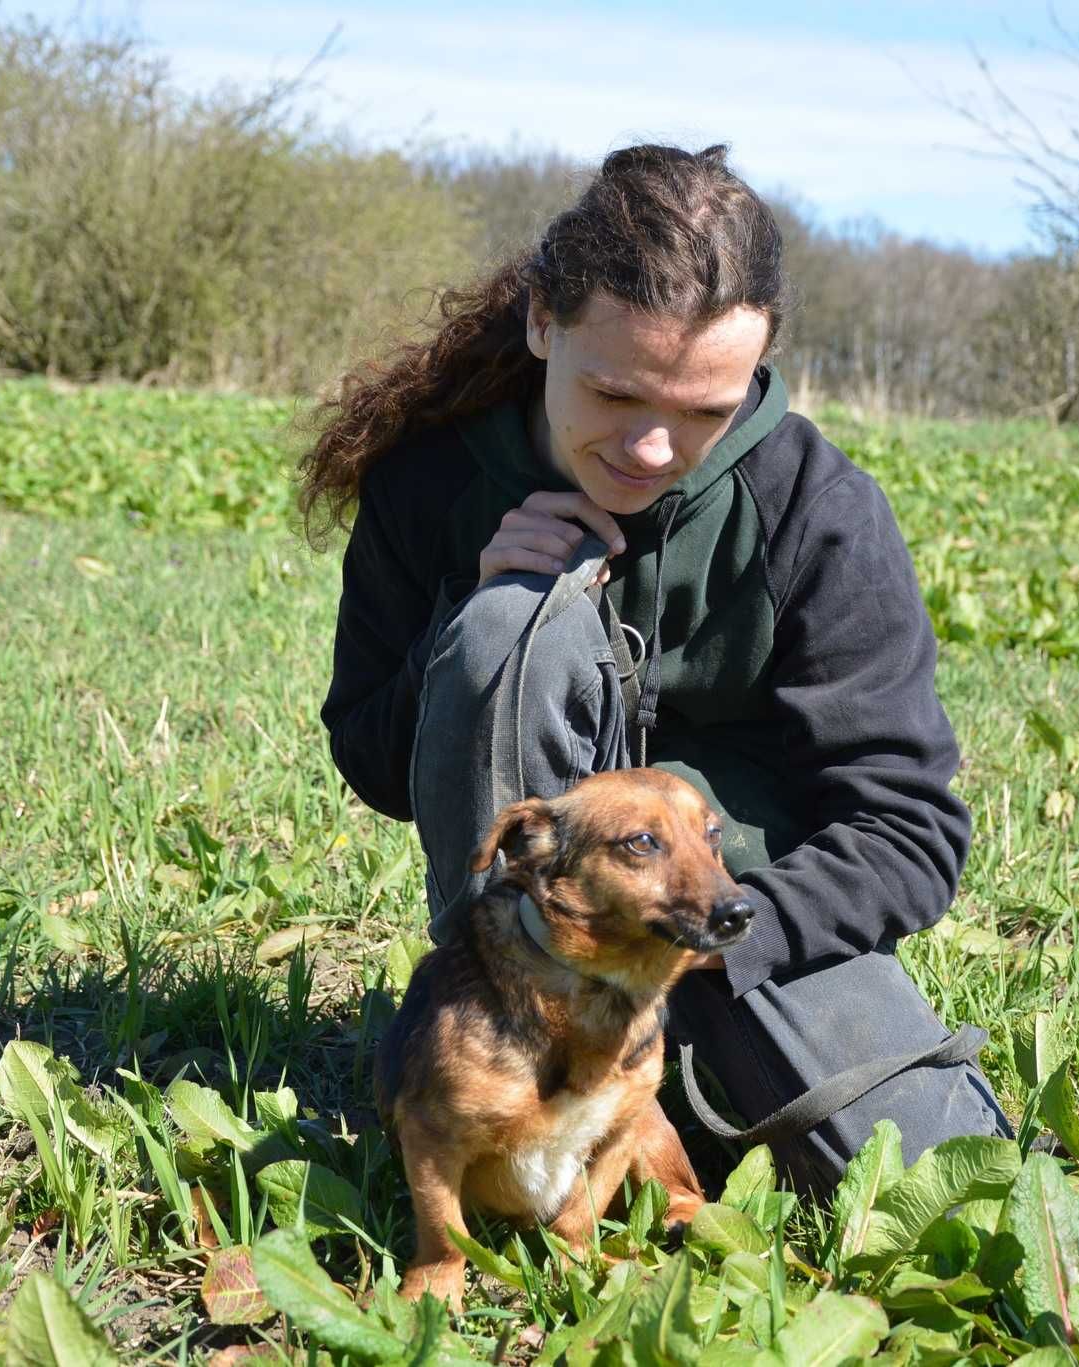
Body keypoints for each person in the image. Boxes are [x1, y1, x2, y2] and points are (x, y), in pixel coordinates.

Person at [306, 143, 1008, 1189]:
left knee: (945, 1186)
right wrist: (465, 622)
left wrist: (718, 929)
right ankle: (498, 1099)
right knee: (507, 624)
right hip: (538, 965)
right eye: (617, 394)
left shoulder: (817, 511)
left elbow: (907, 831)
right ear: (542, 320)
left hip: (738, 928)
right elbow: (369, 754)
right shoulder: (431, 479)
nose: (648, 449)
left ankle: (666, 1097)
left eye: (700, 412)